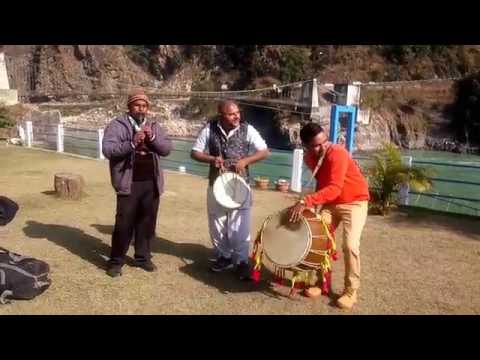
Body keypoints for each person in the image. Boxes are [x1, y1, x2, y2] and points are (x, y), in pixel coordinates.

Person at [289, 123, 370, 310]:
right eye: (316, 145)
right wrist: (316, 205)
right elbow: (323, 182)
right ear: (306, 146)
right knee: (319, 239)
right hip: (331, 203)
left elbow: (335, 187)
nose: (322, 146)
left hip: (355, 201)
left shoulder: (337, 153)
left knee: (350, 245)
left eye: (324, 141)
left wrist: (305, 201)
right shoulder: (310, 157)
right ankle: (321, 283)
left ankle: (351, 291)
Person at [191, 100, 269, 280]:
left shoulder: (247, 129)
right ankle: (224, 257)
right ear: (221, 115)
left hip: (240, 185)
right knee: (217, 224)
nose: (237, 116)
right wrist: (211, 159)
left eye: (238, 113)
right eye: (232, 114)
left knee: (240, 226)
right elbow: (195, 152)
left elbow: (264, 151)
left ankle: (241, 261)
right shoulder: (209, 129)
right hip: (216, 183)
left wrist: (245, 161)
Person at [102, 89, 173, 278]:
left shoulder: (154, 126)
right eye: (137, 105)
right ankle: (116, 262)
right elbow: (108, 150)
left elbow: (167, 149)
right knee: (124, 224)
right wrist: (132, 143)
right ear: (129, 106)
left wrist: (153, 139)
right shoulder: (117, 125)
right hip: (128, 182)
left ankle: (142, 257)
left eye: (144, 106)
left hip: (151, 182)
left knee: (147, 222)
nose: (141, 109)